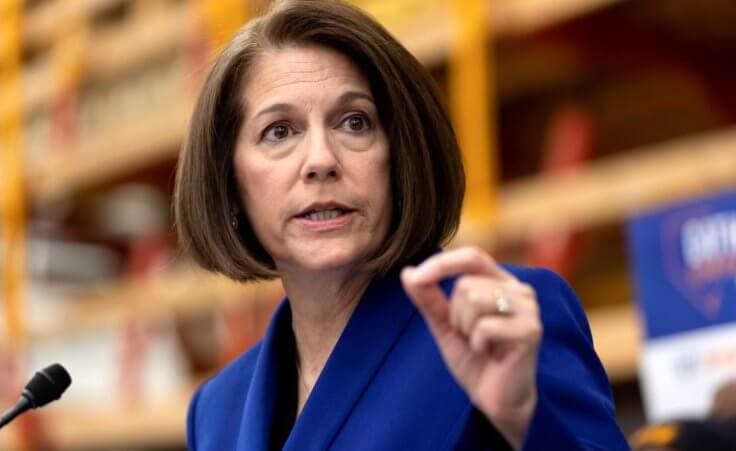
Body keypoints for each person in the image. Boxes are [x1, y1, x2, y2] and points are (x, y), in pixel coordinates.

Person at [174, 0, 629, 449]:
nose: (321, 160)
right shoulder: (216, 411)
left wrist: (524, 417)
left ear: (400, 157)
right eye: (279, 131)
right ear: (229, 181)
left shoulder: (504, 323)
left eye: (354, 123)